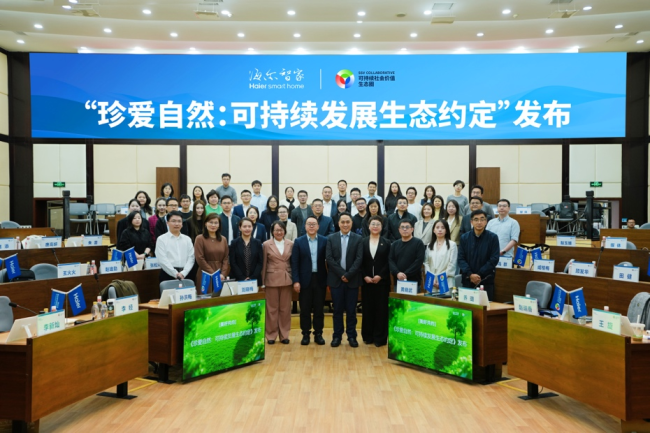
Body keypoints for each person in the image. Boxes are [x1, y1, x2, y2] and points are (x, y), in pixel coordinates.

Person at [326, 213, 364, 348]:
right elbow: (329, 258)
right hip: (336, 280)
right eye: (343, 222)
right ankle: (337, 336)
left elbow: (359, 259)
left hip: (352, 280)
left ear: (352, 223)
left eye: (348, 222)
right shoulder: (331, 238)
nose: (345, 224)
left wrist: (348, 275)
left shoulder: (358, 239)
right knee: (337, 310)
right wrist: (343, 274)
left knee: (351, 310)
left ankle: (352, 336)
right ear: (338, 223)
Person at [291, 215, 328, 346]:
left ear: (318, 226)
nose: (311, 226)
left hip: (320, 279)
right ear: (305, 226)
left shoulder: (325, 240)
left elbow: (329, 261)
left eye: (314, 224)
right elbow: (294, 263)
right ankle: (305, 334)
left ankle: (318, 334)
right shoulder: (298, 241)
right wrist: (296, 281)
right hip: (304, 280)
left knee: (319, 309)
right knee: (305, 309)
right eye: (309, 224)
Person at [262, 220, 294, 345]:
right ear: (272, 232)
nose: (279, 232)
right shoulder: (266, 244)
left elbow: (293, 262)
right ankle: (271, 335)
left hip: (286, 279)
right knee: (271, 309)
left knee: (285, 309)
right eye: (276, 230)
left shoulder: (290, 244)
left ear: (284, 231)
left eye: (281, 230)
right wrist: (262, 281)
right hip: (271, 279)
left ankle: (284, 335)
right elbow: (264, 263)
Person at [361, 216, 391, 347]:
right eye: (373, 224)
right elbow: (359, 261)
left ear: (381, 227)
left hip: (382, 282)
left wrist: (381, 275)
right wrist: (364, 276)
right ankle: (368, 336)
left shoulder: (387, 242)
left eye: (378, 224)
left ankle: (380, 338)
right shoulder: (362, 242)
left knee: (381, 310)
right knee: (368, 309)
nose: (375, 226)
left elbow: (389, 261)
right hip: (366, 282)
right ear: (368, 226)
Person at [458, 209, 500, 300]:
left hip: (486, 280)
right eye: (476, 219)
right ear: (471, 222)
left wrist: (479, 274)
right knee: (467, 307)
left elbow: (494, 259)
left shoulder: (493, 237)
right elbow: (461, 259)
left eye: (482, 219)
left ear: (486, 221)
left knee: (485, 307)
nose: (479, 222)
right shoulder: (464, 238)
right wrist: (470, 274)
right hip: (468, 279)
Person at [155, 210, 195, 282]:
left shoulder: (187, 239)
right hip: (167, 274)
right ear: (167, 223)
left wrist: (183, 273)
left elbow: (191, 258)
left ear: (182, 224)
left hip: (186, 274)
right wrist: (175, 274)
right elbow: (162, 259)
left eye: (179, 221)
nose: (177, 224)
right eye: (173, 221)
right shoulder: (161, 239)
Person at [194, 213, 229, 291]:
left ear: (219, 225)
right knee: (206, 296)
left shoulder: (223, 239)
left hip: (220, 274)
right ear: (205, 224)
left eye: (216, 223)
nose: (213, 225)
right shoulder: (200, 238)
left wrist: (223, 273)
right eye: (211, 222)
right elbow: (200, 258)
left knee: (220, 296)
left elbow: (226, 258)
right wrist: (214, 274)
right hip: (205, 273)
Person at [389, 220, 425, 289]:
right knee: (398, 297)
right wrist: (397, 273)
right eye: (402, 227)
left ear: (412, 229)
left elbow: (419, 261)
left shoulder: (418, 243)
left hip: (414, 281)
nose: (405, 229)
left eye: (407, 227)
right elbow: (391, 260)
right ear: (399, 230)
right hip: (398, 280)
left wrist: (406, 274)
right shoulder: (395, 244)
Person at [423, 220, 458, 290]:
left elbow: (452, 264)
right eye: (437, 227)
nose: (440, 230)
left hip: (446, 281)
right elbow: (426, 263)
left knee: (445, 297)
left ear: (446, 230)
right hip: (431, 281)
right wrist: (431, 278)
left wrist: (441, 280)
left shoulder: (452, 245)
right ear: (434, 230)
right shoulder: (429, 245)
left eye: (443, 228)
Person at [229, 217, 264, 285]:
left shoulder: (258, 243)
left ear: (252, 227)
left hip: (254, 279)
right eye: (244, 226)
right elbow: (233, 262)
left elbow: (260, 262)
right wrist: (242, 277)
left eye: (249, 226)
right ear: (240, 228)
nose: (247, 229)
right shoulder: (234, 243)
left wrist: (252, 277)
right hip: (238, 279)